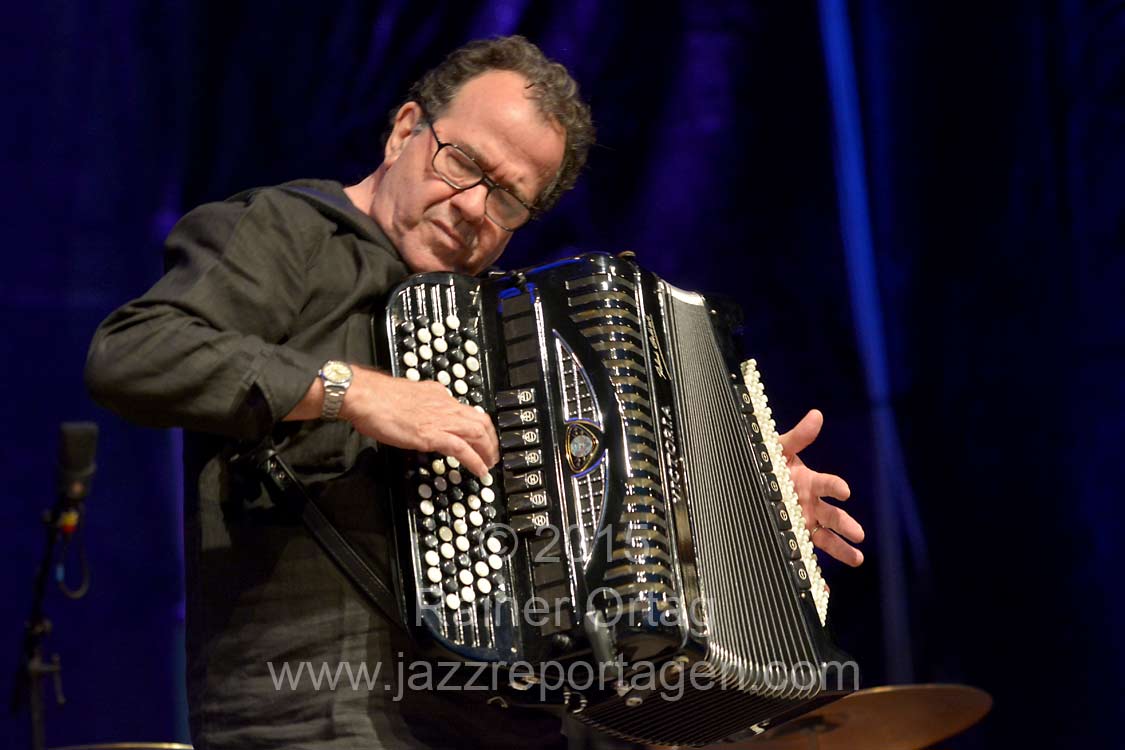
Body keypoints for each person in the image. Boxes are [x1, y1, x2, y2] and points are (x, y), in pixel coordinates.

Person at [85, 35, 862, 750]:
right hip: (319, 708)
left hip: (505, 719)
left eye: (507, 199)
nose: (470, 208)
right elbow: (136, 353)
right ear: (403, 131)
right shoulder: (286, 231)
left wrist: (741, 505)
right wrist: (354, 392)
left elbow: (601, 524)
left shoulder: (510, 330)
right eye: (461, 164)